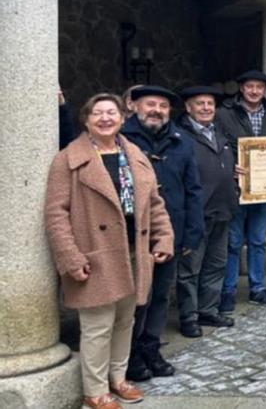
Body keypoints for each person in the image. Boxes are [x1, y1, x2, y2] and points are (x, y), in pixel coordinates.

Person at [45, 94, 174, 409]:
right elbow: (56, 213)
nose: (105, 118)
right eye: (98, 113)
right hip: (95, 255)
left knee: (125, 321)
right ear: (86, 120)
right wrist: (70, 257)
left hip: (133, 252)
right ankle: (95, 390)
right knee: (97, 326)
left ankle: (118, 378)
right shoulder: (68, 159)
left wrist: (164, 238)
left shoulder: (134, 154)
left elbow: (154, 203)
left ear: (121, 117)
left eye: (111, 112)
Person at [120, 85, 203, 382]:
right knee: (135, 297)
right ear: (134, 106)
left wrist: (192, 233)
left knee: (160, 296)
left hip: (172, 231)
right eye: (150, 104)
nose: (156, 110)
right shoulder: (120, 139)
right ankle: (130, 353)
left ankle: (151, 347)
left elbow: (193, 189)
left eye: (163, 106)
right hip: (133, 234)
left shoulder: (181, 142)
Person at [216, 70, 266, 312]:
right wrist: (228, 166)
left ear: (265, 90)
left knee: (257, 240)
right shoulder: (224, 113)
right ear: (241, 88)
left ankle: (258, 288)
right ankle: (228, 291)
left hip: (264, 188)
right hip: (236, 187)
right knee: (233, 242)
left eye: (259, 87)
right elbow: (217, 144)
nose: (255, 91)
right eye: (250, 86)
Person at [175, 86, 238, 338]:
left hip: (222, 210)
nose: (206, 108)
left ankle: (208, 310)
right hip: (196, 214)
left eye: (210, 104)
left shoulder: (219, 133)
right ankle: (189, 317)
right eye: (199, 103)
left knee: (216, 264)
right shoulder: (180, 136)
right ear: (188, 107)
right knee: (190, 269)